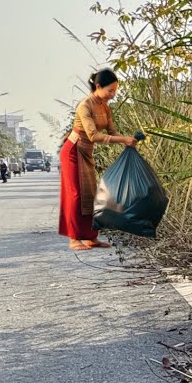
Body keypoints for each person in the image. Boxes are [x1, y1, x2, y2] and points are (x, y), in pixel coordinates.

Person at [58, 68, 139, 251]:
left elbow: (112, 132)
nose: (112, 94)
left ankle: (91, 237)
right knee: (76, 195)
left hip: (87, 152)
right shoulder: (85, 105)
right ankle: (74, 239)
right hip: (73, 150)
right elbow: (93, 135)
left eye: (115, 91)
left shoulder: (104, 107)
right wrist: (122, 140)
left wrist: (127, 141)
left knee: (91, 194)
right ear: (98, 86)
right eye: (110, 90)